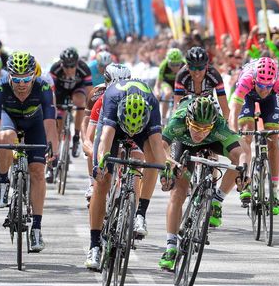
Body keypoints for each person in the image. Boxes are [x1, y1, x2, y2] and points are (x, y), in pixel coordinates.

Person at [85, 78, 166, 269]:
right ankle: (94, 245)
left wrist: (165, 173)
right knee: (102, 180)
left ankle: (140, 214)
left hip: (141, 125)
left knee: (153, 161)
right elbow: (105, 139)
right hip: (115, 126)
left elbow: (157, 145)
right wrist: (100, 165)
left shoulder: (152, 104)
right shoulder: (112, 102)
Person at [158, 96, 247, 270]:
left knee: (238, 162)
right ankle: (170, 247)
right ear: (188, 121)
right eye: (196, 127)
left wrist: (245, 170)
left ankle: (217, 200)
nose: (200, 132)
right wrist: (170, 165)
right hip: (184, 144)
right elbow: (160, 148)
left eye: (206, 128)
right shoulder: (178, 121)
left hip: (213, 142)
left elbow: (241, 153)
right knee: (178, 193)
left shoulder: (218, 125)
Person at [0, 52, 59, 252]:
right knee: (5, 136)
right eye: (16, 79)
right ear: (9, 75)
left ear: (33, 76)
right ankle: (4, 182)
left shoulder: (43, 87)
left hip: (34, 123)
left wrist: (53, 150)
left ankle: (36, 228)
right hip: (8, 118)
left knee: (38, 172)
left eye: (26, 79)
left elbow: (50, 123)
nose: (21, 84)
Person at [229, 57, 279, 214]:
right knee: (246, 132)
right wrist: (234, 134)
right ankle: (245, 180)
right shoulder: (246, 79)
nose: (264, 90)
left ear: (274, 81)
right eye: (261, 86)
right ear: (255, 80)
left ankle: (274, 192)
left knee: (272, 140)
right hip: (247, 97)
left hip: (271, 101)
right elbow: (234, 111)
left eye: (268, 86)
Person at [81, 63, 131, 205]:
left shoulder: (133, 94)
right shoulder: (96, 94)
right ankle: (92, 183)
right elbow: (86, 123)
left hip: (124, 127)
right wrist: (88, 146)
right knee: (94, 145)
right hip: (101, 125)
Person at [50, 47, 92, 162]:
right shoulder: (55, 69)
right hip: (60, 92)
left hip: (77, 89)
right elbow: (49, 91)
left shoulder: (84, 68)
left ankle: (76, 136)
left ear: (77, 64)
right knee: (58, 127)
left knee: (80, 101)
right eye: (66, 66)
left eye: (72, 66)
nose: (69, 70)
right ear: (61, 64)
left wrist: (89, 109)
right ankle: (55, 154)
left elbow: (90, 93)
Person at [174, 47, 229, 118]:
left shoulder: (214, 75)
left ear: (206, 66)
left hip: (208, 106)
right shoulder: (181, 76)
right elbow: (177, 108)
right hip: (187, 106)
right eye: (193, 68)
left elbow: (225, 109)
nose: (197, 73)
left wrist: (225, 123)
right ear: (187, 66)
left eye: (200, 68)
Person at [154, 48, 184, 122]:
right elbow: (157, 85)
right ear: (168, 61)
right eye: (172, 64)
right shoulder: (163, 65)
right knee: (168, 93)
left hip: (179, 83)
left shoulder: (185, 64)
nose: (175, 67)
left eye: (177, 64)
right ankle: (163, 119)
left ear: (181, 62)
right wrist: (157, 93)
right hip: (167, 82)